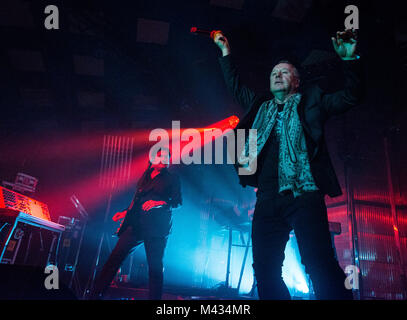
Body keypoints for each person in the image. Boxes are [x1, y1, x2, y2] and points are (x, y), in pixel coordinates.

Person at [212, 30, 364, 299]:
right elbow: (235, 86)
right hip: (268, 199)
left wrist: (350, 61)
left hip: (304, 195)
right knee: (265, 270)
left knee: (319, 265)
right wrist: (225, 52)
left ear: (296, 82)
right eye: (273, 72)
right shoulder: (261, 105)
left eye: (284, 72)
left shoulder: (312, 100)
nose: (276, 75)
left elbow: (351, 97)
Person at [90, 148, 182, 299]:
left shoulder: (172, 178)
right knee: (114, 258)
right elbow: (137, 201)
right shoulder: (145, 177)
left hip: (157, 228)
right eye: (162, 156)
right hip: (137, 225)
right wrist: (125, 212)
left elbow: (178, 202)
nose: (165, 159)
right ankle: (95, 294)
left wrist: (158, 202)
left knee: (154, 268)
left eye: (168, 157)